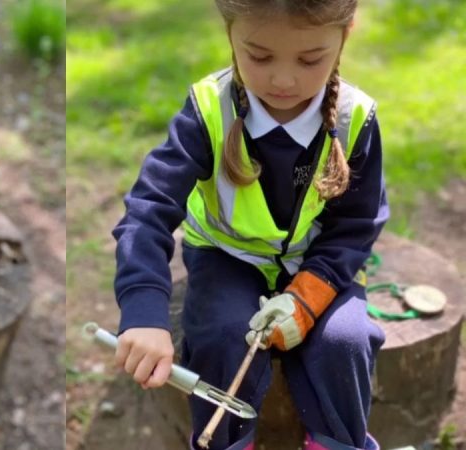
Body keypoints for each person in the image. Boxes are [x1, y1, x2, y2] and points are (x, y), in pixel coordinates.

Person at [112, 1, 388, 449]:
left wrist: (310, 295)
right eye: (259, 56)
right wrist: (143, 311)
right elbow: (148, 208)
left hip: (319, 265)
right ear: (229, 34)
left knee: (345, 342)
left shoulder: (356, 119)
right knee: (221, 337)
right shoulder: (207, 110)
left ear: (346, 34)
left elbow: (357, 224)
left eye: (309, 59)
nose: (282, 80)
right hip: (226, 259)